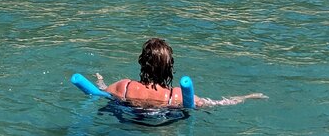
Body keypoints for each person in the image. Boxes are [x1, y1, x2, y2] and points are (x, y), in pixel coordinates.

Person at [95, 38, 267, 108]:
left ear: (142, 63)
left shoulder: (124, 86)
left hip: (129, 125)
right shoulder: (176, 96)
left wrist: (100, 80)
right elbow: (217, 103)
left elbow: (102, 92)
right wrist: (247, 97)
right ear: (169, 68)